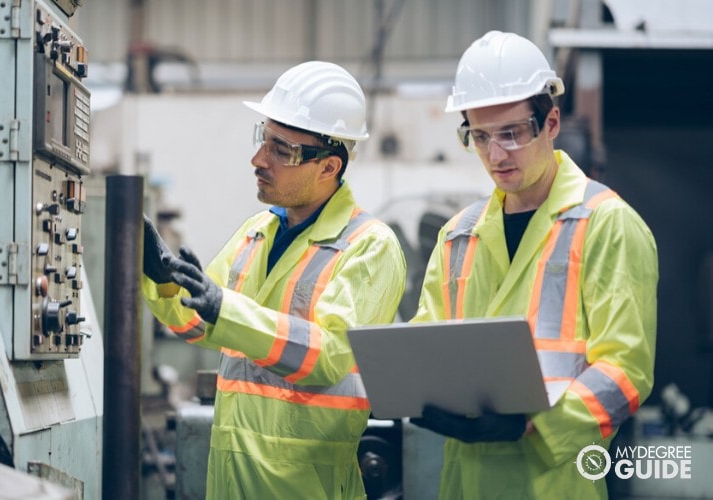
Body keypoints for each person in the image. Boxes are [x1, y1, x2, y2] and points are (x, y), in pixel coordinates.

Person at [409, 31, 658, 499]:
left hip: (555, 481)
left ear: (552, 122)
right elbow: (429, 347)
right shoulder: (458, 234)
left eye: (511, 133)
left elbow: (627, 372)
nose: (495, 155)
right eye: (479, 136)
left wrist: (529, 425)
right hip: (464, 483)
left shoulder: (606, 223)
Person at [142, 61, 407, 498]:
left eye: (281, 150)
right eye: (262, 139)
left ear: (328, 166)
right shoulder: (255, 233)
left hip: (303, 487)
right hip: (231, 482)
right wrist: (161, 279)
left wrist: (225, 309)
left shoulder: (368, 246)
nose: (259, 160)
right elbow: (196, 322)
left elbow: (328, 354)